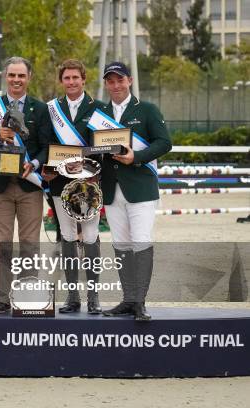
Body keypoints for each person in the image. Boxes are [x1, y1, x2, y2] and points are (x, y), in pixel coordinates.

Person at [93, 62, 172, 321]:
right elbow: (91, 147)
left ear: (129, 81)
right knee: (121, 246)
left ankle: (140, 302)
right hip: (112, 189)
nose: (115, 85)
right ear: (106, 84)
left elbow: (164, 142)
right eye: (110, 81)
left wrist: (136, 156)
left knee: (141, 243)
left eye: (120, 80)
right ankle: (128, 299)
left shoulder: (147, 110)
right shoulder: (99, 113)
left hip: (140, 188)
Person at [0, 56, 51, 314]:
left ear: (28, 78)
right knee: (1, 244)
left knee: (30, 244)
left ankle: (27, 296)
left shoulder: (40, 109)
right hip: (0, 187)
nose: (16, 80)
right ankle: (2, 298)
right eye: (12, 75)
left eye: (21, 75)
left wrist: (36, 163)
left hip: (29, 185)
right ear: (5, 77)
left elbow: (46, 147)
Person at [42, 59, 103, 314]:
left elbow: (103, 145)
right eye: (66, 78)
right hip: (60, 186)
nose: (71, 82)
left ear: (84, 79)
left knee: (89, 236)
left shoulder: (98, 108)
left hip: (88, 185)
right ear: (61, 81)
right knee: (67, 237)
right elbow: (45, 143)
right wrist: (50, 168)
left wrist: (89, 168)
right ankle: (72, 296)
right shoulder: (51, 109)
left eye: (75, 77)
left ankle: (94, 297)